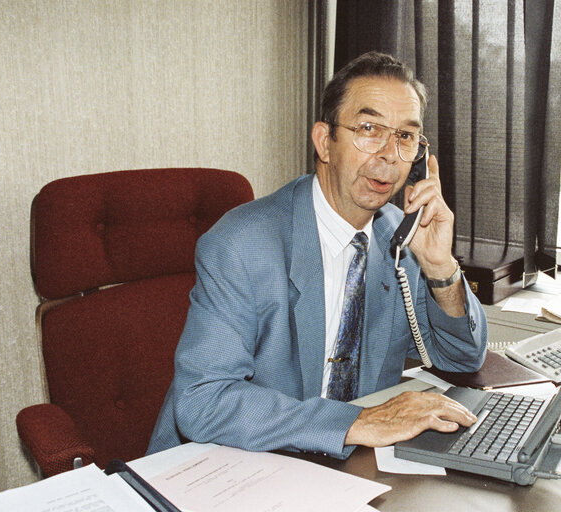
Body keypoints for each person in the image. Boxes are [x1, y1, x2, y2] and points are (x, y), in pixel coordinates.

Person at [147, 51, 488, 459]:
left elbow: (462, 358)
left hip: (339, 470)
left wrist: (440, 267)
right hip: (228, 464)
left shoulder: (398, 234)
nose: (388, 155)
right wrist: (356, 423)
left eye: (405, 136)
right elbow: (202, 401)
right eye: (368, 128)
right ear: (326, 142)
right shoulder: (240, 244)